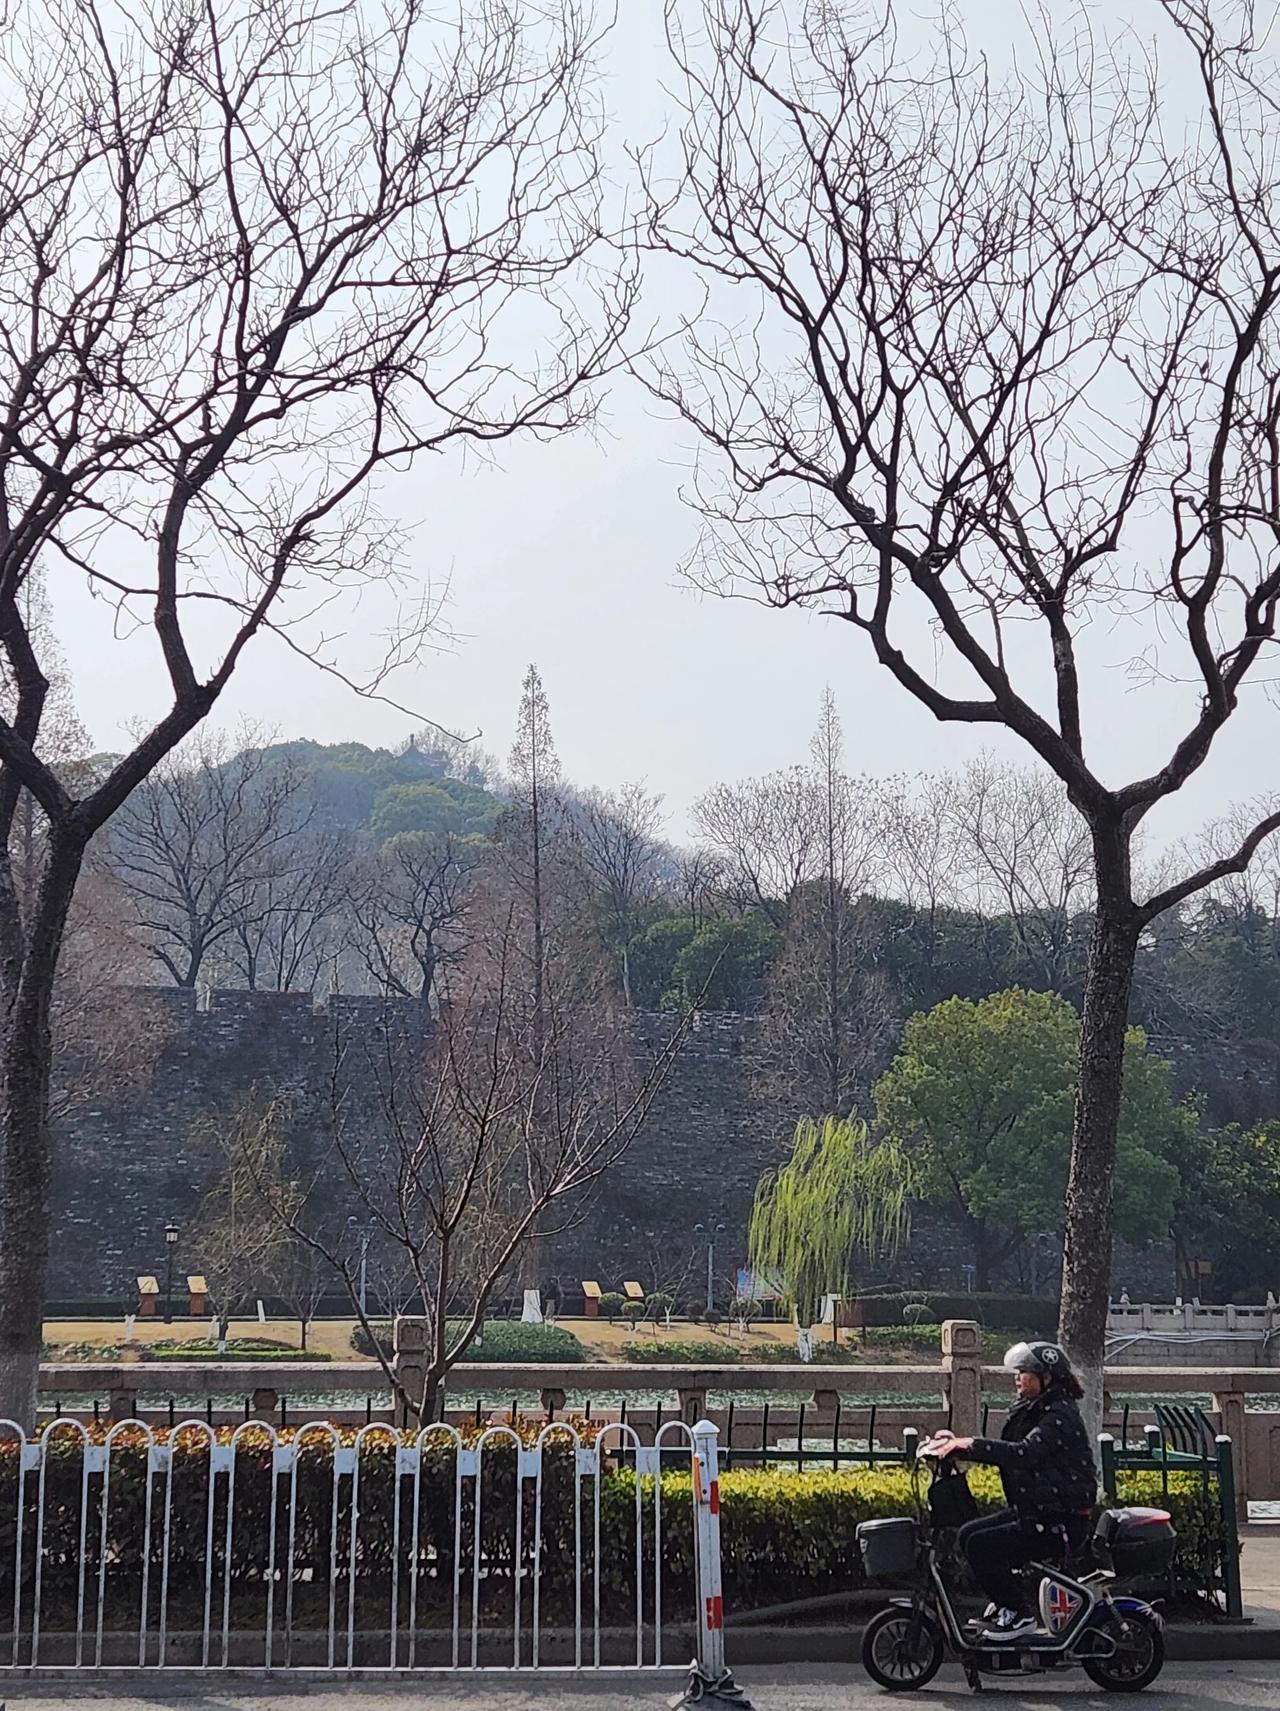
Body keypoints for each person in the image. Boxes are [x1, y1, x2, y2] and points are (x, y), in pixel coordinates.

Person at [930, 1341, 1097, 1641]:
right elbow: (1007, 1449)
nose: (1018, 1378)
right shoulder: (1038, 1410)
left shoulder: (1059, 1415)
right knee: (968, 1534)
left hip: (1061, 1520)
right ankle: (1007, 1604)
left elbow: (1023, 1453)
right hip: (1038, 1511)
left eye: (1025, 1372)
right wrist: (959, 1444)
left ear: (1047, 1377)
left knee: (982, 1545)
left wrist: (970, 1445)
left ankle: (1019, 1614)